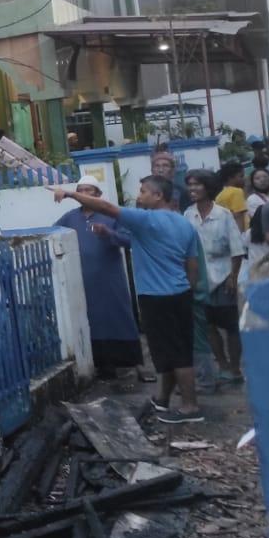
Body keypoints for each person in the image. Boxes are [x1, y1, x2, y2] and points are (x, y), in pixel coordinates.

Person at [53, 175, 203, 423]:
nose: (139, 195)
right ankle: (163, 399)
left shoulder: (145, 219)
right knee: (166, 352)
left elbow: (107, 208)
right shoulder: (184, 223)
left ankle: (190, 407)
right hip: (180, 292)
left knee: (177, 354)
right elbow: (193, 264)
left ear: (158, 196)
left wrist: (69, 193)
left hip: (157, 296)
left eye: (144, 191)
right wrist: (189, 288)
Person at [52, 180, 141, 378]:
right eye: (81, 190)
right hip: (83, 278)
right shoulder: (70, 218)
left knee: (114, 315)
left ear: (98, 194)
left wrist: (108, 234)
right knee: (90, 318)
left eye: (89, 190)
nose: (84, 193)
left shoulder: (111, 216)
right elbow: (53, 235)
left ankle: (124, 361)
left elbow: (128, 241)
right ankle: (99, 363)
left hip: (109, 277)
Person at [184, 170, 247, 385]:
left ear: (208, 187)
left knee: (230, 325)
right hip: (199, 278)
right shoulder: (188, 215)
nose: (192, 189)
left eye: (197, 185)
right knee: (207, 324)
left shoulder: (223, 214)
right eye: (190, 185)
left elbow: (236, 248)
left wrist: (233, 276)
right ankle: (222, 364)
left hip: (223, 276)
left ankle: (235, 367)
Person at [212, 160, 250, 233]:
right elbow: (238, 216)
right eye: (241, 176)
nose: (244, 178)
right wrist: (241, 238)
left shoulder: (220, 195)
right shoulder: (236, 192)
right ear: (230, 178)